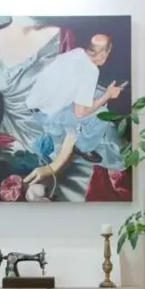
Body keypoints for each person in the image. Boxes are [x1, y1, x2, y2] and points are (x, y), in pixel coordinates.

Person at [0, 16, 132, 202]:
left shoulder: (64, 38)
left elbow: (76, 115)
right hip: (10, 146)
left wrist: (55, 166)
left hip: (62, 147)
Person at [22, 34, 125, 188]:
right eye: (107, 53)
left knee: (96, 93)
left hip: (36, 104)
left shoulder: (76, 53)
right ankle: (84, 147)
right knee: (102, 113)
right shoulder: (91, 71)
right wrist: (108, 95)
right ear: (104, 53)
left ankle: (75, 134)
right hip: (47, 116)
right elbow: (79, 113)